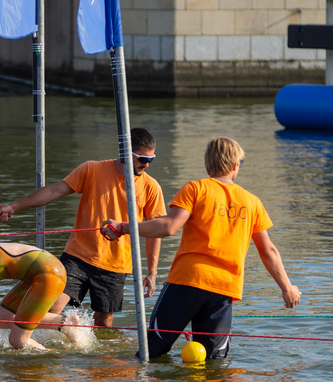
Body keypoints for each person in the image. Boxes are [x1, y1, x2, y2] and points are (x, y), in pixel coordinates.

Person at [100, 136, 302, 360]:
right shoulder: (252, 201)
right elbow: (268, 251)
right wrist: (287, 288)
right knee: (213, 363)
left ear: (208, 163)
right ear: (235, 165)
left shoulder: (196, 189)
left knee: (150, 355)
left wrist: (123, 227)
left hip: (187, 283)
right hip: (223, 290)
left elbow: (168, 227)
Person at [0, 127, 166, 328]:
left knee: (103, 324)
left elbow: (156, 231)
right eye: (142, 159)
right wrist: (14, 206)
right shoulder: (92, 169)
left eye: (151, 160)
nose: (146, 164)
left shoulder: (151, 187)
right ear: (125, 152)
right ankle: (43, 347)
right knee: (51, 307)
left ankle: (92, 357)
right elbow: (55, 190)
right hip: (77, 257)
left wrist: (151, 272)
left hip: (116, 264)